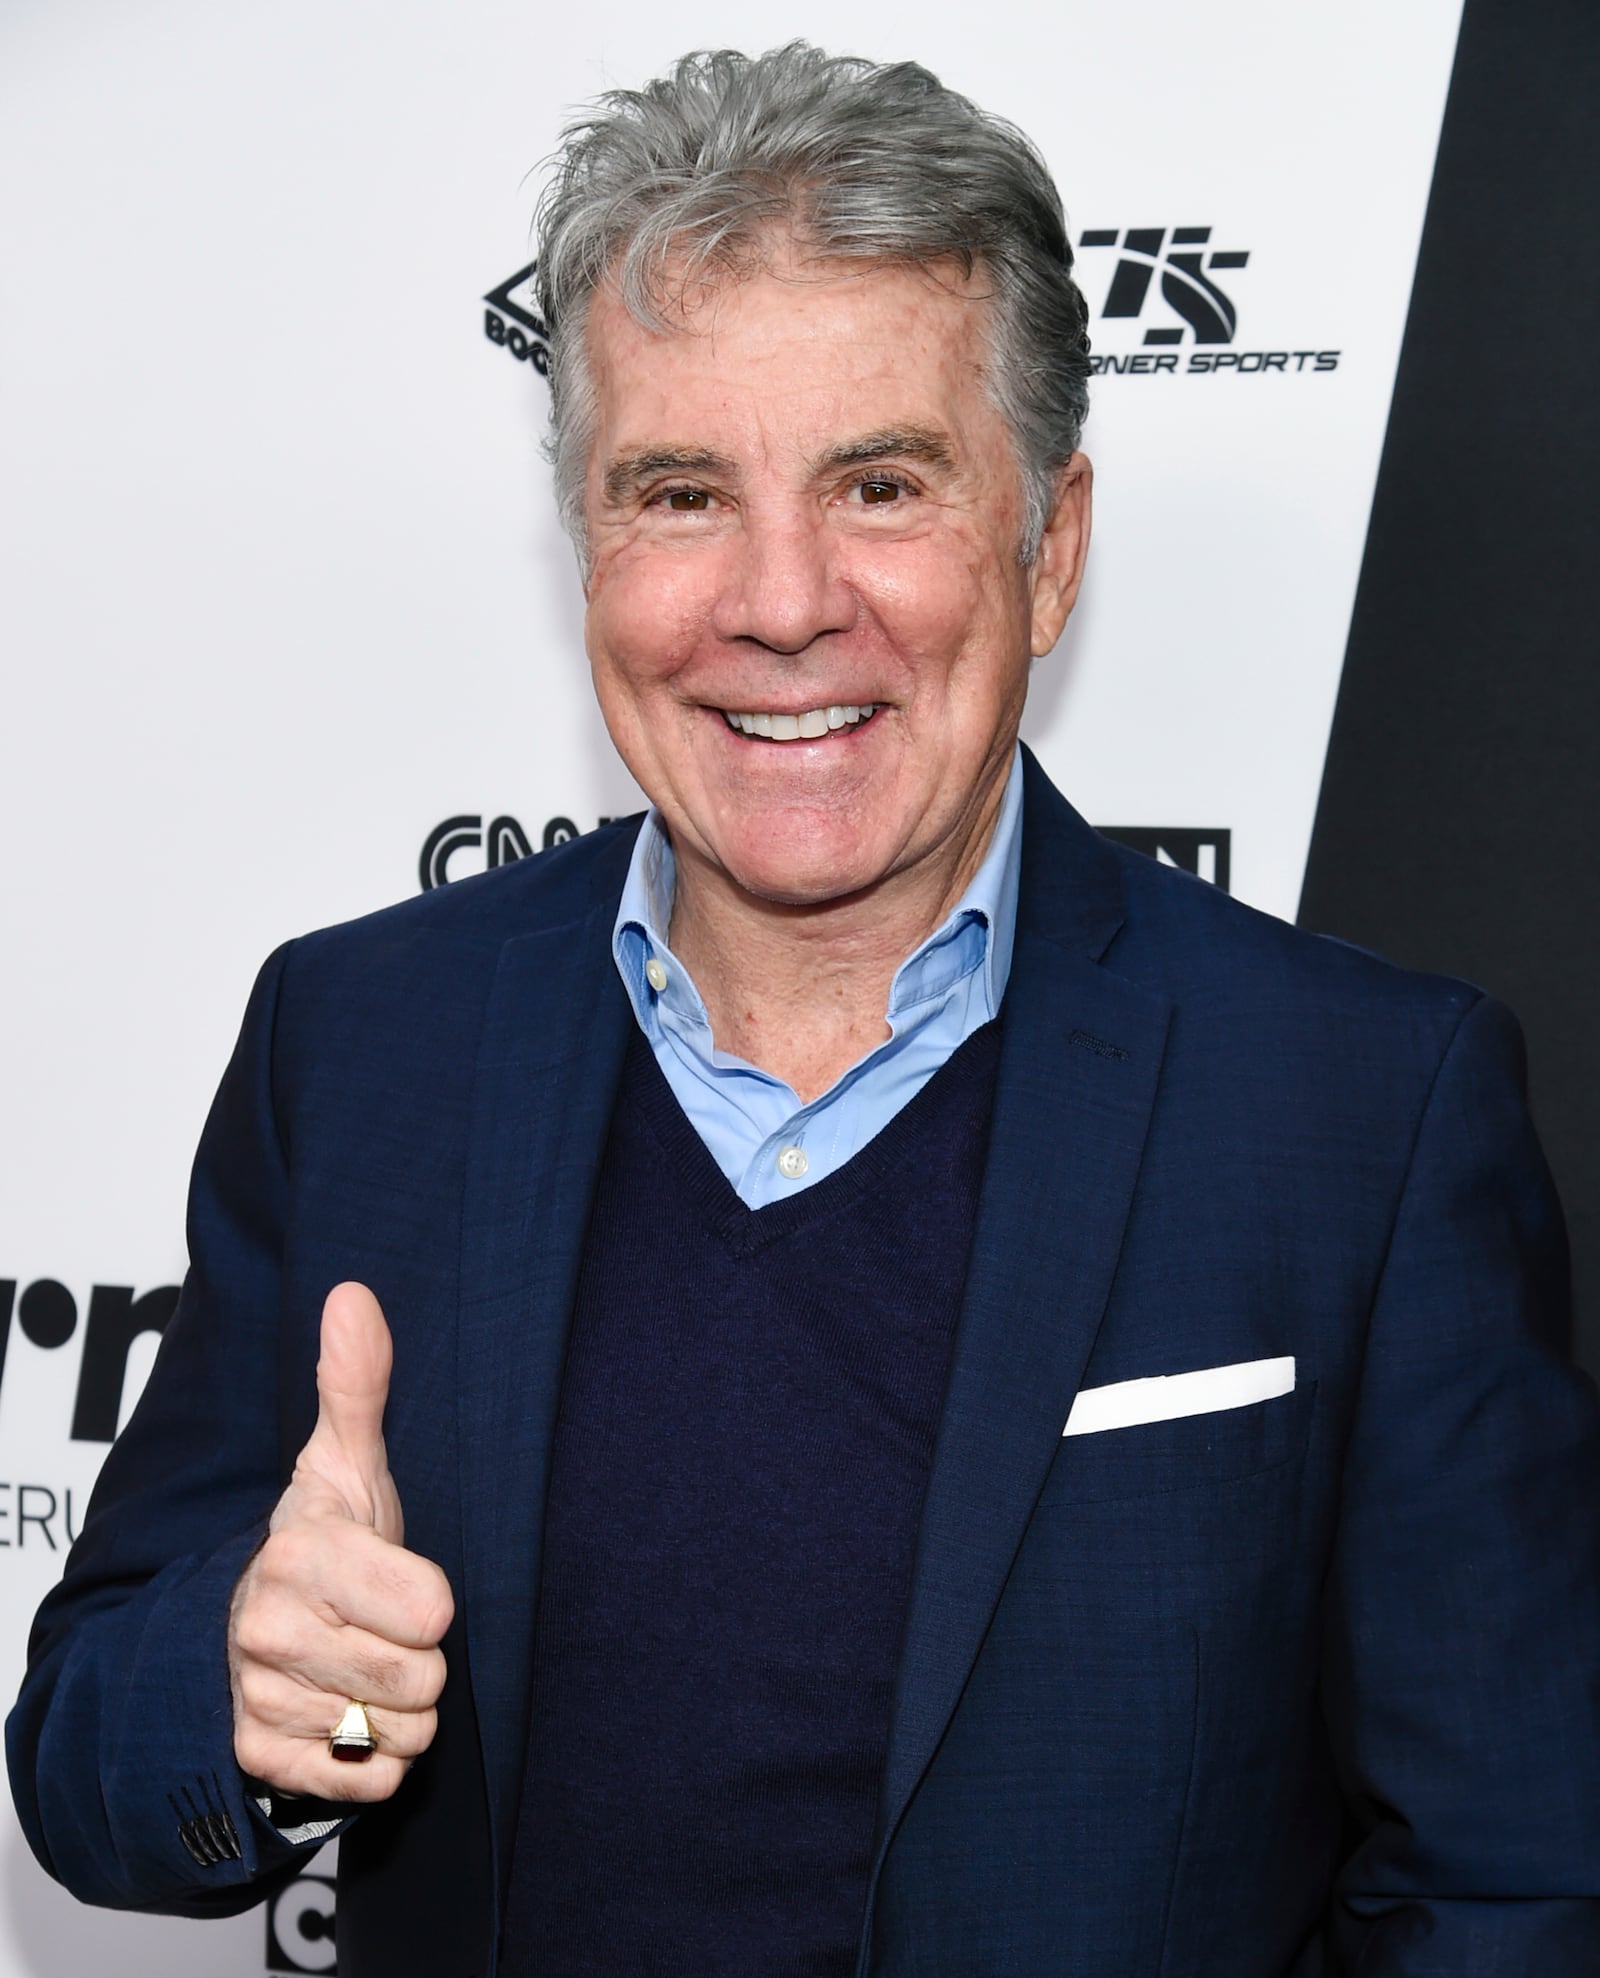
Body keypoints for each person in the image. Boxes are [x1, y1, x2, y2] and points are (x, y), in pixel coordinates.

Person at [9, 41, 1600, 1978]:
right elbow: (86, 1743)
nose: (778, 601)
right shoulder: (361, 1045)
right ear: (586, 548)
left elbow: (1509, 1878)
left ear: (1051, 543)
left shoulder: (1362, 1112)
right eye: (679, 490)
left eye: (879, 482)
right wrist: (244, 1681)